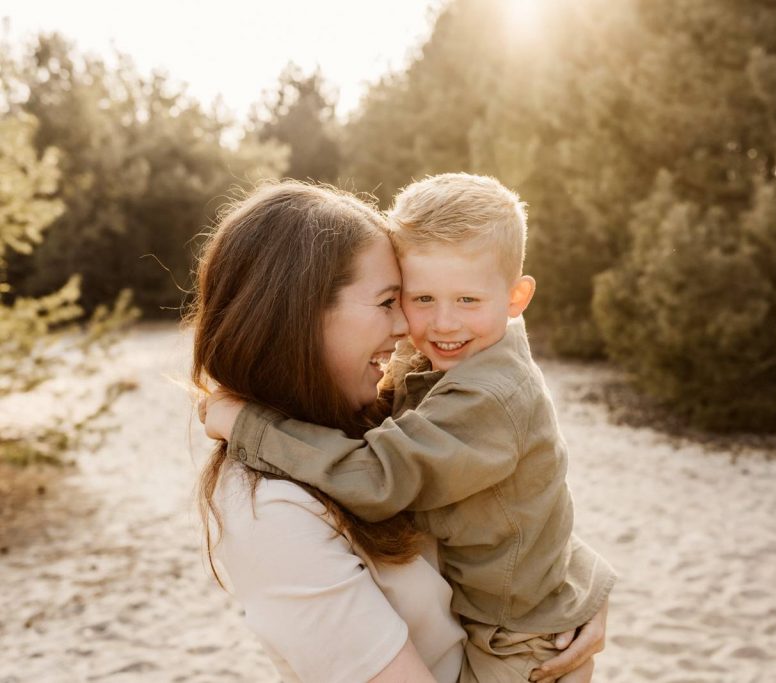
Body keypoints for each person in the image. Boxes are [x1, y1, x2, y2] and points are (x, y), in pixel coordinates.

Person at [203, 174, 616, 683]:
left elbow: (503, 507)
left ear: (514, 298)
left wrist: (582, 587)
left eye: (466, 300)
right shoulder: (271, 510)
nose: (418, 327)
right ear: (302, 317)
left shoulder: (473, 389)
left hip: (514, 641)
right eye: (398, 301)